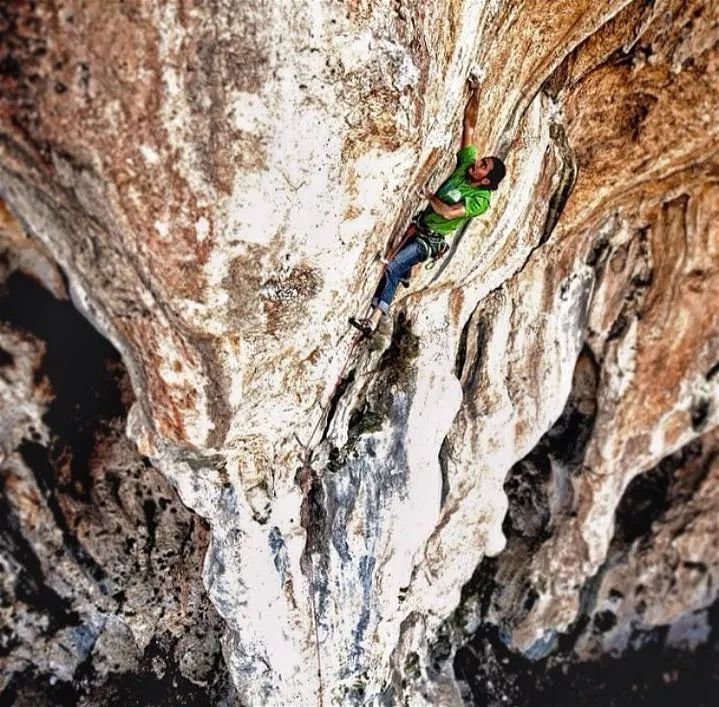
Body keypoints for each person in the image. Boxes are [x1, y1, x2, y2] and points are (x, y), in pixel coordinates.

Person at [350, 79, 506, 338]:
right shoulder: (465, 167)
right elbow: (469, 125)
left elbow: (446, 213)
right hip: (420, 226)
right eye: (482, 160)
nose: (477, 163)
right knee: (396, 266)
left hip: (430, 240)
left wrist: (430, 196)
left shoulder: (480, 200)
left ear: (486, 181)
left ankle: (373, 321)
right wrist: (476, 92)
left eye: (483, 167)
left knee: (392, 266)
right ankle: (403, 275)